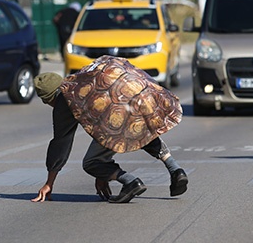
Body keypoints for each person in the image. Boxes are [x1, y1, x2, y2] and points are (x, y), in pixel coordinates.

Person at [31, 72, 188, 203]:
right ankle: (176, 169)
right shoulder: (80, 80)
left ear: (49, 98)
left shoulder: (64, 101)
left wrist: (49, 184)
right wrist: (102, 175)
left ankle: (130, 182)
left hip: (115, 120)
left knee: (91, 162)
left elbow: (61, 144)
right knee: (141, 128)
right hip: (135, 100)